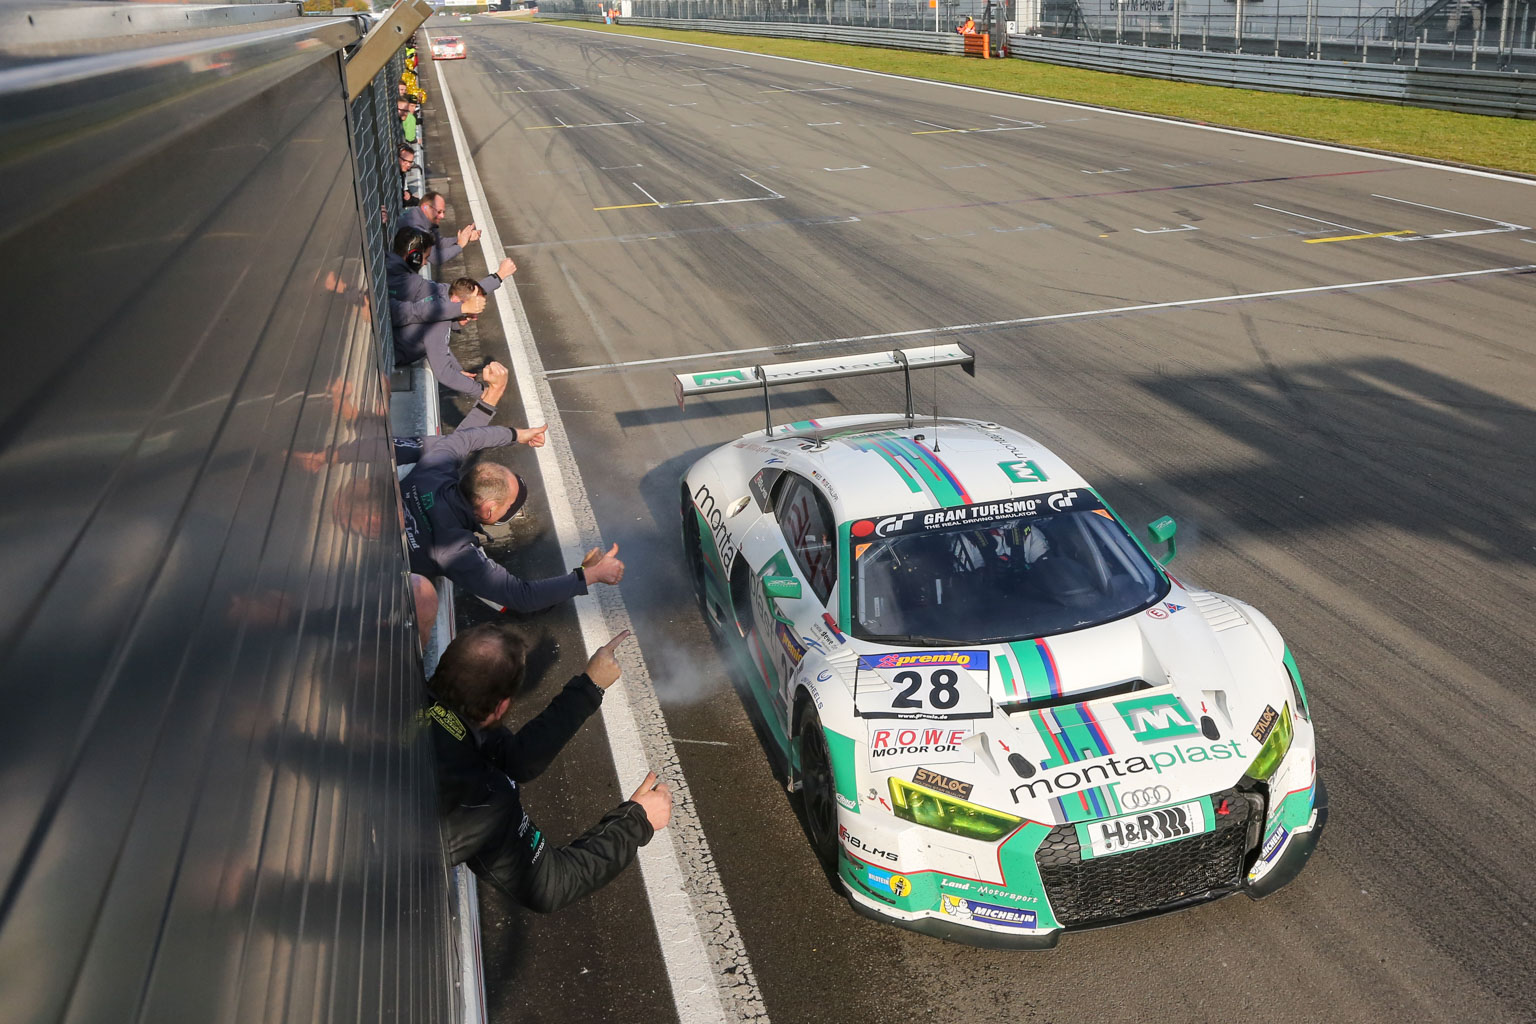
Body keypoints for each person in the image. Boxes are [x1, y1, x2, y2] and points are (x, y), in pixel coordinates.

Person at [427, 624, 671, 911]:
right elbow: (554, 883)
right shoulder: (482, 801)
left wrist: (590, 686)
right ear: (501, 707)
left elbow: (516, 759)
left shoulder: (400, 690)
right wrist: (637, 820)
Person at [399, 416, 625, 615]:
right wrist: (590, 575)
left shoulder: (433, 468)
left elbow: (466, 438)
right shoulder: (456, 551)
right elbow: (521, 597)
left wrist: (517, 434)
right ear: (488, 510)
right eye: (508, 506)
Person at [401, 191, 479, 265]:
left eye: (443, 212)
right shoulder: (417, 228)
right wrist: (460, 245)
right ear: (425, 207)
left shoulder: (422, 218)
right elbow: (436, 258)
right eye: (439, 212)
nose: (442, 216)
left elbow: (438, 242)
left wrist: (463, 238)